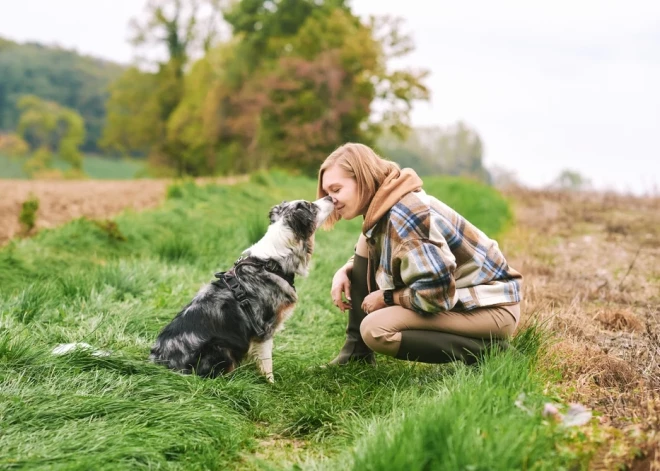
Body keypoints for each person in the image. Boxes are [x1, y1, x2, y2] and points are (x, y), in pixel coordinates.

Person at [317, 143, 523, 366]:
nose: (330, 200)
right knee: (364, 240)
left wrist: (387, 298)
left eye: (336, 190)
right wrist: (347, 269)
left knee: (376, 329)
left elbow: (438, 295)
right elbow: (386, 249)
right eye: (327, 193)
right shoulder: (385, 208)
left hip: (489, 308)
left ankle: (493, 353)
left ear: (364, 178)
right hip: (463, 299)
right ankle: (356, 354)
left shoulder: (405, 218)